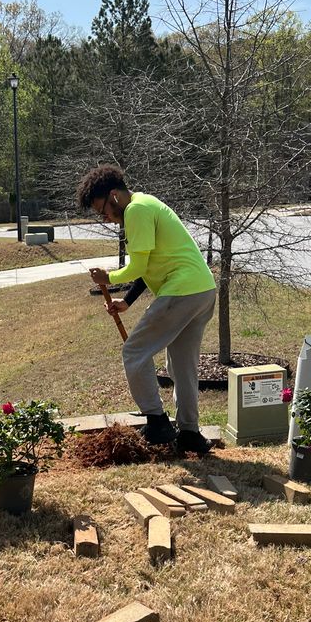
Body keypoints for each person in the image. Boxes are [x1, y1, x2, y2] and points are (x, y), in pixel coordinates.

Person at [77, 163, 216, 453]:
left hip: (182, 291)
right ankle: (189, 433)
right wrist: (127, 301)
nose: (104, 218)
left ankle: (157, 421)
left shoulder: (135, 210)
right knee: (182, 365)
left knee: (134, 352)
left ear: (114, 196)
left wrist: (108, 278)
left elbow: (137, 266)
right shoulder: (146, 202)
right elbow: (149, 265)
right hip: (202, 290)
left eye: (102, 210)